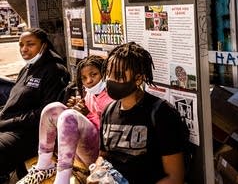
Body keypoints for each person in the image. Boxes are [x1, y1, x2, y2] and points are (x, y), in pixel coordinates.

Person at [94, 41, 186, 184]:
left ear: (138, 79)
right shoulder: (108, 111)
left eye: (118, 75)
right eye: (108, 73)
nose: (110, 80)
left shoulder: (162, 113)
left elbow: (175, 177)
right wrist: (97, 174)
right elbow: (103, 156)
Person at [16, 55, 113, 184]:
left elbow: (110, 133)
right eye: (83, 78)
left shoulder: (111, 96)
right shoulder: (89, 93)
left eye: (93, 74)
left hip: (99, 154)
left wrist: (82, 115)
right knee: (52, 108)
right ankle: (44, 166)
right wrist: (77, 109)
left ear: (104, 73)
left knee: (69, 116)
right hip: (79, 151)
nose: (89, 80)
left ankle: (62, 180)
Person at [0, 28, 70, 183]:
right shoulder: (27, 69)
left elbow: (46, 114)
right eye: (21, 45)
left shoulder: (55, 71)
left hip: (30, 134)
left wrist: (8, 121)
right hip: (10, 126)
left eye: (30, 44)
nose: (24, 49)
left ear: (44, 45)